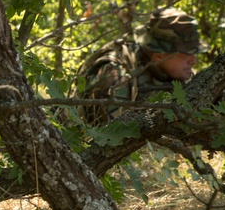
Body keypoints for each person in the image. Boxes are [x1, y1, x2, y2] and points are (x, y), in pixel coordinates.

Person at [73, 8, 207, 125]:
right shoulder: (114, 75)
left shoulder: (178, 72)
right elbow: (107, 140)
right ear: (159, 55)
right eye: (186, 54)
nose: (193, 60)